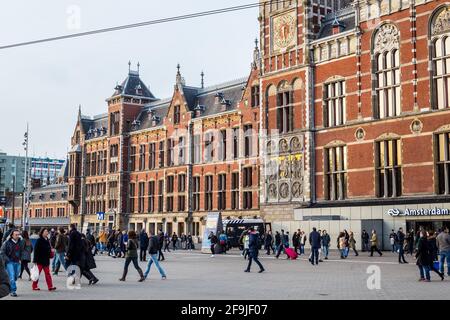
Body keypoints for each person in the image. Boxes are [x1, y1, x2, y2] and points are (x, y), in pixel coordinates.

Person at [0, 229, 23, 297]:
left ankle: (11, 285)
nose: (17, 236)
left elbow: (24, 250)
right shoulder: (6, 243)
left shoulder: (20, 242)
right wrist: (7, 260)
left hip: (17, 262)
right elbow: (2, 252)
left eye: (18, 234)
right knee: (12, 276)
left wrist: (22, 258)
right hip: (10, 262)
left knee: (15, 277)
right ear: (12, 235)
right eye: (16, 235)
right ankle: (13, 291)